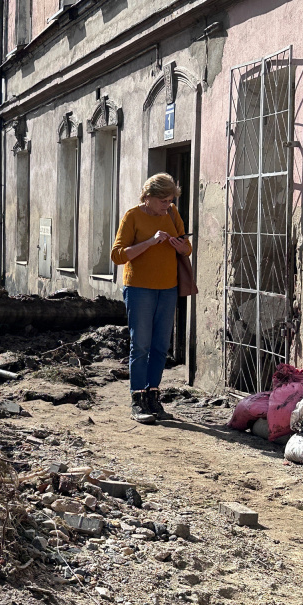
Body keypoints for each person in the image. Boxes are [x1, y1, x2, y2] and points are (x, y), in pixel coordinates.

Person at [110, 173, 192, 424]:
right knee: (141, 344)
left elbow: (186, 248)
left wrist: (180, 246)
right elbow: (117, 255)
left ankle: (154, 397)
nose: (166, 206)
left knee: (160, 345)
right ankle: (137, 398)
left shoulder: (172, 214)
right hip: (139, 289)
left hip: (168, 288)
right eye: (162, 201)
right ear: (147, 197)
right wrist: (150, 242)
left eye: (169, 201)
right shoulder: (132, 216)